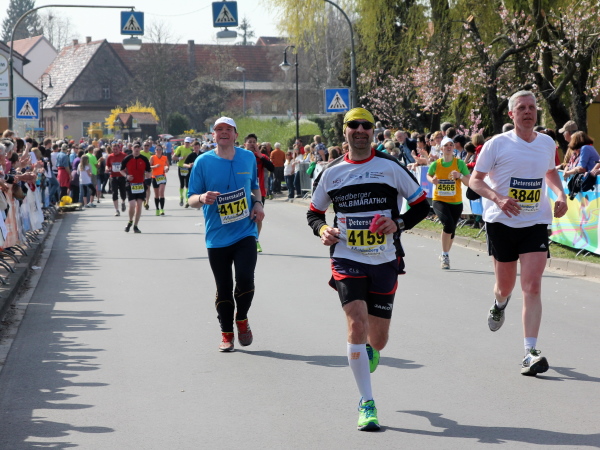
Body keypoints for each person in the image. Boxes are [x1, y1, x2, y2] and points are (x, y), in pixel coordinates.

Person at [307, 107, 429, 431]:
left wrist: (398, 223)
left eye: (366, 125)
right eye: (354, 125)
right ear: (344, 130)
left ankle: (370, 351)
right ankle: (367, 402)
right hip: (346, 257)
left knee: (379, 338)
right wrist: (323, 230)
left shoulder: (390, 167)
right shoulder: (331, 172)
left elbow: (422, 205)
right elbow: (314, 213)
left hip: (385, 259)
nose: (360, 130)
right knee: (356, 323)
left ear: (373, 131)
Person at [470, 90, 568, 376]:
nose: (528, 112)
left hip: (535, 222)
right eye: (522, 108)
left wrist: (560, 194)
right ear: (511, 114)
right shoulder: (496, 144)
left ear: (537, 112)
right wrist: (498, 198)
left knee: (532, 286)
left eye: (532, 107)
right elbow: (476, 180)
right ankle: (500, 303)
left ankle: (530, 352)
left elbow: (550, 172)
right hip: (501, 222)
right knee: (505, 286)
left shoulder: (546, 143)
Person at [188, 117, 265, 352]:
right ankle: (226, 333)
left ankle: (241, 318)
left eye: (228, 129)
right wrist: (202, 198)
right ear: (213, 135)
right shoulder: (202, 162)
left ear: (235, 135)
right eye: (219, 129)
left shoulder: (248, 157)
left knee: (245, 279)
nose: (223, 133)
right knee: (223, 287)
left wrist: (258, 203)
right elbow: (191, 199)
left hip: (245, 232)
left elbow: (254, 186)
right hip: (217, 236)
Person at [427, 137, 471, 269]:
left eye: (451, 145)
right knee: (448, 224)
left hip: (455, 202)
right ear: (441, 148)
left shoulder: (459, 164)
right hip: (439, 200)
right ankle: (445, 255)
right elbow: (429, 175)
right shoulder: (436, 164)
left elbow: (469, 182)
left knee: (452, 229)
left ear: (453, 148)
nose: (449, 147)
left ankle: (445, 253)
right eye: (446, 145)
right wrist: (432, 180)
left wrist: (460, 176)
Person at [245, 135, 274, 253]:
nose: (252, 144)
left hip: (259, 191)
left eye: (254, 142)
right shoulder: (240, 156)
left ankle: (256, 240)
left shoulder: (261, 157)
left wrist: (260, 155)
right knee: (244, 216)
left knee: (258, 216)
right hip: (244, 191)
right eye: (250, 142)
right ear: (245, 144)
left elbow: (272, 168)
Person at [120, 142, 151, 233]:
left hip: (141, 185)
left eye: (138, 147)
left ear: (140, 149)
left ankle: (136, 225)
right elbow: (121, 170)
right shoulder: (127, 158)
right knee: (132, 205)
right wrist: (126, 176)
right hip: (130, 184)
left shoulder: (144, 159)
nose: (137, 149)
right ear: (132, 148)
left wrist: (148, 174)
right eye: (135, 147)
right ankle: (130, 221)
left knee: (139, 205)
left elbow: (149, 171)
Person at [106, 144, 128, 216]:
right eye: (114, 149)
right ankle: (116, 210)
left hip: (122, 176)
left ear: (119, 149)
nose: (115, 151)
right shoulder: (110, 156)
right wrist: (107, 168)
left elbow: (128, 164)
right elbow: (107, 165)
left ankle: (123, 202)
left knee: (123, 192)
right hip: (113, 177)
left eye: (116, 149)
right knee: (114, 193)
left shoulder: (124, 155)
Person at [150, 144, 169, 216]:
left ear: (162, 150)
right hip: (154, 177)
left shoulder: (165, 157)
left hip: (162, 177)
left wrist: (166, 168)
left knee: (161, 192)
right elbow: (148, 166)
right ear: (155, 150)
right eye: (157, 149)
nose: (158, 151)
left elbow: (167, 165)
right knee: (156, 194)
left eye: (160, 149)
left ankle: (162, 209)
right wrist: (154, 166)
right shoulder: (152, 157)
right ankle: (157, 209)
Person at [173, 137, 194, 207]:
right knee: (182, 184)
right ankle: (181, 197)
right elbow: (173, 157)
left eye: (188, 142)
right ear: (184, 142)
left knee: (187, 184)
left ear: (190, 143)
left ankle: (187, 200)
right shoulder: (180, 148)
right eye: (186, 142)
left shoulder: (191, 149)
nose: (187, 144)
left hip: (188, 168)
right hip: (181, 167)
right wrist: (181, 158)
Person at [140, 141, 153, 210]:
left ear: (149, 146)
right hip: (141, 173)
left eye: (147, 145)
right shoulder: (140, 153)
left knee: (148, 187)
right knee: (142, 188)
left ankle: (147, 202)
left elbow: (153, 164)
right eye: (145, 145)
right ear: (143, 146)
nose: (146, 147)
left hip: (148, 173)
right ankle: (144, 199)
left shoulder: (151, 154)